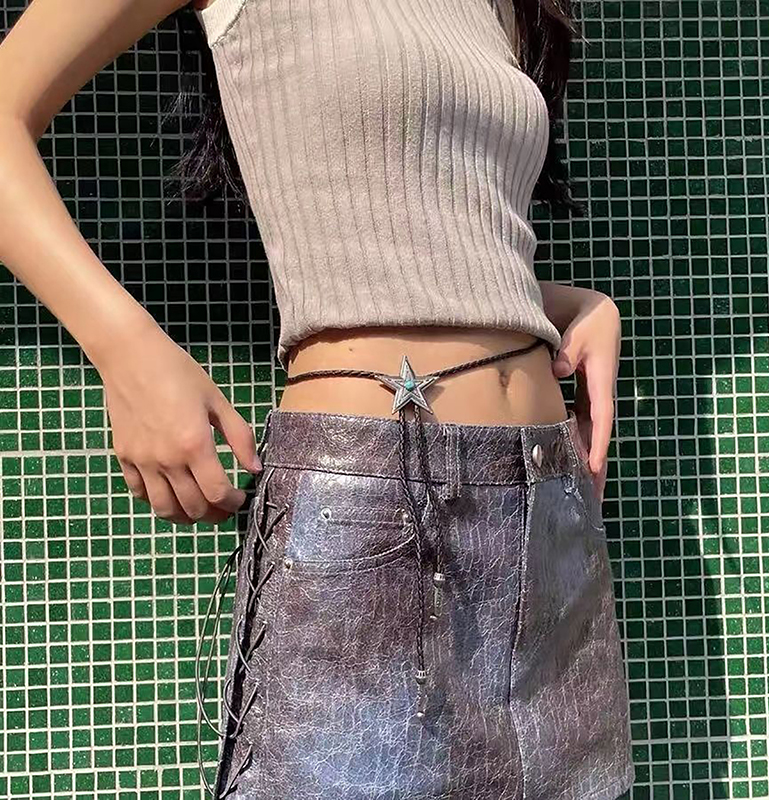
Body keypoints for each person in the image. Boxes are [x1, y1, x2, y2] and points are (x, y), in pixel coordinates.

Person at [0, 1, 634, 798]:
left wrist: (555, 307)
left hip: (549, 521)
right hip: (373, 510)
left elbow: (409, 234)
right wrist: (126, 349)